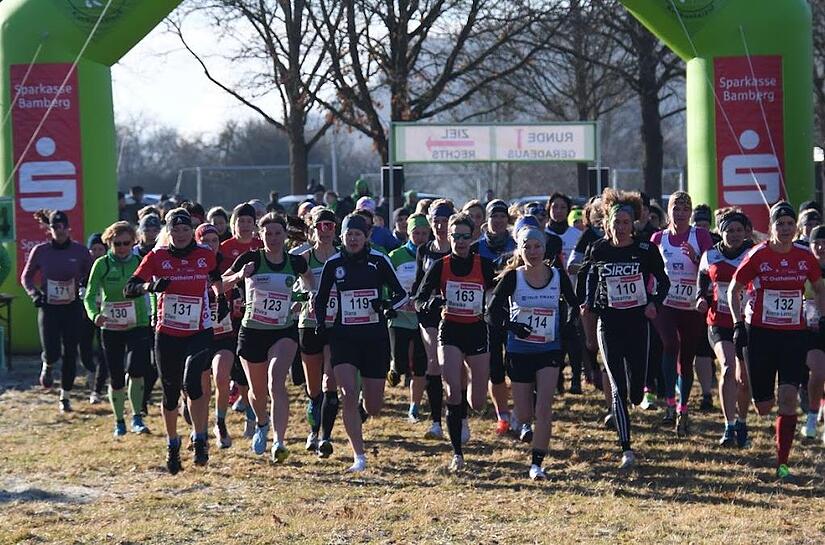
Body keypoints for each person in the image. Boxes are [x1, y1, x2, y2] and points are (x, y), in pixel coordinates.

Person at [728, 202, 825, 479]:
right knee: (764, 406)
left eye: (789, 224)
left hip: (794, 335)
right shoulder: (758, 255)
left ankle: (782, 463)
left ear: (796, 228)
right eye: (779, 224)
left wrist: (818, 314)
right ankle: (750, 416)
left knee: (788, 398)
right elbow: (734, 288)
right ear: (770, 227)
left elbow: (819, 287)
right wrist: (738, 323)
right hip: (760, 334)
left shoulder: (805, 257)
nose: (785, 229)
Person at [124, 208, 222, 474]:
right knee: (169, 392)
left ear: (192, 231)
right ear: (168, 232)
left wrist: (221, 299)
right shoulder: (157, 257)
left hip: (199, 330)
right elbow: (130, 287)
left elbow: (216, 279)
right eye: (175, 230)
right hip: (167, 334)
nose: (180, 235)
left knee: (193, 382)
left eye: (185, 230)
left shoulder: (205, 254)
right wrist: (149, 287)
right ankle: (172, 443)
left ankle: (200, 438)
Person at [581, 190, 669, 468]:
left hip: (637, 323)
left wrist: (654, 303)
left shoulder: (645, 250)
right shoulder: (598, 249)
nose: (620, 227)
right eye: (616, 222)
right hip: (609, 323)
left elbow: (663, 282)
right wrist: (588, 303)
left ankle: (637, 396)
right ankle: (626, 448)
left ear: (633, 225)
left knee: (635, 393)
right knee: (617, 387)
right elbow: (588, 277)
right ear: (607, 223)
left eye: (625, 223)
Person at [314, 214, 408, 472]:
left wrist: (386, 304)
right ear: (340, 238)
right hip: (343, 337)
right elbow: (320, 299)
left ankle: (363, 411)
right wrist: (322, 324)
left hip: (375, 339)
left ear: (366, 237)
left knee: (373, 406)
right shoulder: (333, 264)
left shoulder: (379, 261)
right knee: (347, 394)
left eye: (357, 234)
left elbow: (401, 294)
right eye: (348, 235)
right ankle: (359, 456)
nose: (353, 239)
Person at [487, 226, 579, 480]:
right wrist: (512, 326)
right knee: (525, 413)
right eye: (527, 246)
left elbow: (573, 304)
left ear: (544, 248)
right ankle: (519, 421)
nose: (533, 251)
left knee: (544, 409)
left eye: (537, 246)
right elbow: (492, 313)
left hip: (549, 348)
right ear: (520, 249)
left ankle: (537, 464)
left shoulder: (557, 276)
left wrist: (568, 324)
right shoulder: (513, 278)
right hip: (519, 349)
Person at [222, 212, 312, 463]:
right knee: (257, 391)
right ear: (260, 235)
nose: (273, 238)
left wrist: (305, 300)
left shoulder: (295, 262)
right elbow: (219, 285)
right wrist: (240, 276)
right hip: (252, 332)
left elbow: (311, 284)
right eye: (268, 233)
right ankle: (261, 422)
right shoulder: (250, 258)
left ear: (285, 235)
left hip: (283, 332)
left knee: (276, 383)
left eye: (277, 233)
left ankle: (280, 441)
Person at [415, 212, 496, 471]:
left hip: (476, 332)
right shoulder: (441, 265)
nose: (460, 241)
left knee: (478, 401)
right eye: (455, 236)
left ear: (472, 237)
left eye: (464, 236)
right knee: (451, 390)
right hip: (449, 330)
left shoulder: (483, 264)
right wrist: (431, 303)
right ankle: (457, 455)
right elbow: (419, 298)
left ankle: (464, 413)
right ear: (448, 237)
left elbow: (497, 294)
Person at [650, 191, 714, 435]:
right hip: (666, 302)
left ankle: (682, 408)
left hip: (691, 305)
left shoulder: (701, 236)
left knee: (686, 358)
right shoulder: (658, 238)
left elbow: (711, 270)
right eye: (676, 208)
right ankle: (668, 402)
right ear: (669, 211)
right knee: (669, 344)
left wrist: (696, 258)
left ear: (690, 213)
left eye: (685, 209)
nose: (680, 213)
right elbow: (650, 271)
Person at [84, 221, 153, 436]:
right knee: (115, 376)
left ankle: (137, 418)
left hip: (138, 324)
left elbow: (152, 289)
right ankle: (119, 420)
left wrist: (153, 314)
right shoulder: (102, 265)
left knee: (136, 370)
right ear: (109, 243)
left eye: (126, 243)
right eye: (117, 244)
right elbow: (89, 295)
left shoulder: (140, 262)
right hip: (111, 327)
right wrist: (94, 315)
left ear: (133, 242)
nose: (122, 248)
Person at [21, 210, 93, 412]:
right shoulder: (40, 251)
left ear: (68, 228)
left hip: (71, 307)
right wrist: (35, 294)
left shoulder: (79, 252)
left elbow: (91, 275)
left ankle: (65, 396)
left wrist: (84, 289)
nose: (59, 231)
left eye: (62, 227)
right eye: (55, 227)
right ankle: (48, 364)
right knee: (52, 351)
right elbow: (26, 277)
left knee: (70, 352)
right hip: (49, 307)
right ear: (49, 229)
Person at [696, 210, 752, 447]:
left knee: (744, 378)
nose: (735, 235)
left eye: (739, 230)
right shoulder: (710, 255)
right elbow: (702, 278)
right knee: (728, 368)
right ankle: (729, 426)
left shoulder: (752, 254)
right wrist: (700, 297)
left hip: (747, 322)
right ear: (721, 232)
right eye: (730, 230)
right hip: (719, 321)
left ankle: (742, 421)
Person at [297, 207, 340, 456]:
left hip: (336, 325)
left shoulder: (343, 257)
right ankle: (313, 431)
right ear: (312, 229)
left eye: (330, 226)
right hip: (310, 324)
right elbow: (290, 291)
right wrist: (307, 295)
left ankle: (326, 437)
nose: (325, 231)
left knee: (329, 383)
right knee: (314, 390)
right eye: (320, 226)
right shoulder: (303, 258)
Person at [411, 199, 455, 440]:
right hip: (429, 314)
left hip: (457, 313)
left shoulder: (461, 249)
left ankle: (458, 415)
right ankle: (437, 421)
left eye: (445, 220)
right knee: (434, 362)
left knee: (455, 368)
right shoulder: (424, 250)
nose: (440, 226)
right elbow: (419, 285)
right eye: (436, 221)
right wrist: (418, 301)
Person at [474, 199, 516, 434]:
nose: (498, 221)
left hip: (515, 312)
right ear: (486, 221)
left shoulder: (517, 244)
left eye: (502, 216)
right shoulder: (476, 248)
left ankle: (520, 412)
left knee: (517, 366)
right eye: (494, 217)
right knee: (495, 368)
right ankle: (503, 415)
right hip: (486, 315)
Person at [193, 223, 235, 449]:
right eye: (205, 241)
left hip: (223, 332)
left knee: (221, 377)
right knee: (202, 387)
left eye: (214, 241)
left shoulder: (226, 263)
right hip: (199, 333)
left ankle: (220, 422)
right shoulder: (192, 264)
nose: (210, 245)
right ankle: (199, 430)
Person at [387, 213, 431, 422]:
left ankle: (414, 407)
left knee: (420, 365)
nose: (420, 237)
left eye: (424, 233)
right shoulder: (396, 255)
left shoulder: (432, 255)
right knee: (401, 364)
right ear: (408, 232)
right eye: (416, 233)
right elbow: (385, 282)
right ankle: (394, 368)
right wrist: (390, 302)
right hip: (400, 316)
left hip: (422, 316)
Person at [546, 192, 585, 395]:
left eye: (562, 207)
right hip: (549, 295)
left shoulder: (576, 236)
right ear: (549, 209)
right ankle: (557, 378)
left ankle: (577, 378)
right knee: (554, 337)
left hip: (573, 292)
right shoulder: (542, 235)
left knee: (573, 337)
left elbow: (583, 264)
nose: (558, 211)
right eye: (555, 207)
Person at [79, 233, 109, 405]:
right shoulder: (84, 271)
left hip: (105, 316)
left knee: (104, 351)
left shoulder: (108, 268)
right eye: (93, 249)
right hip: (86, 316)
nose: (97, 252)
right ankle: (91, 370)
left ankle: (98, 387)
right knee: (84, 349)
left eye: (100, 249)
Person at [802, 225, 825, 443]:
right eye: (817, 242)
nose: (821, 247)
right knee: (818, 373)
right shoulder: (803, 267)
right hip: (810, 330)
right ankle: (811, 418)